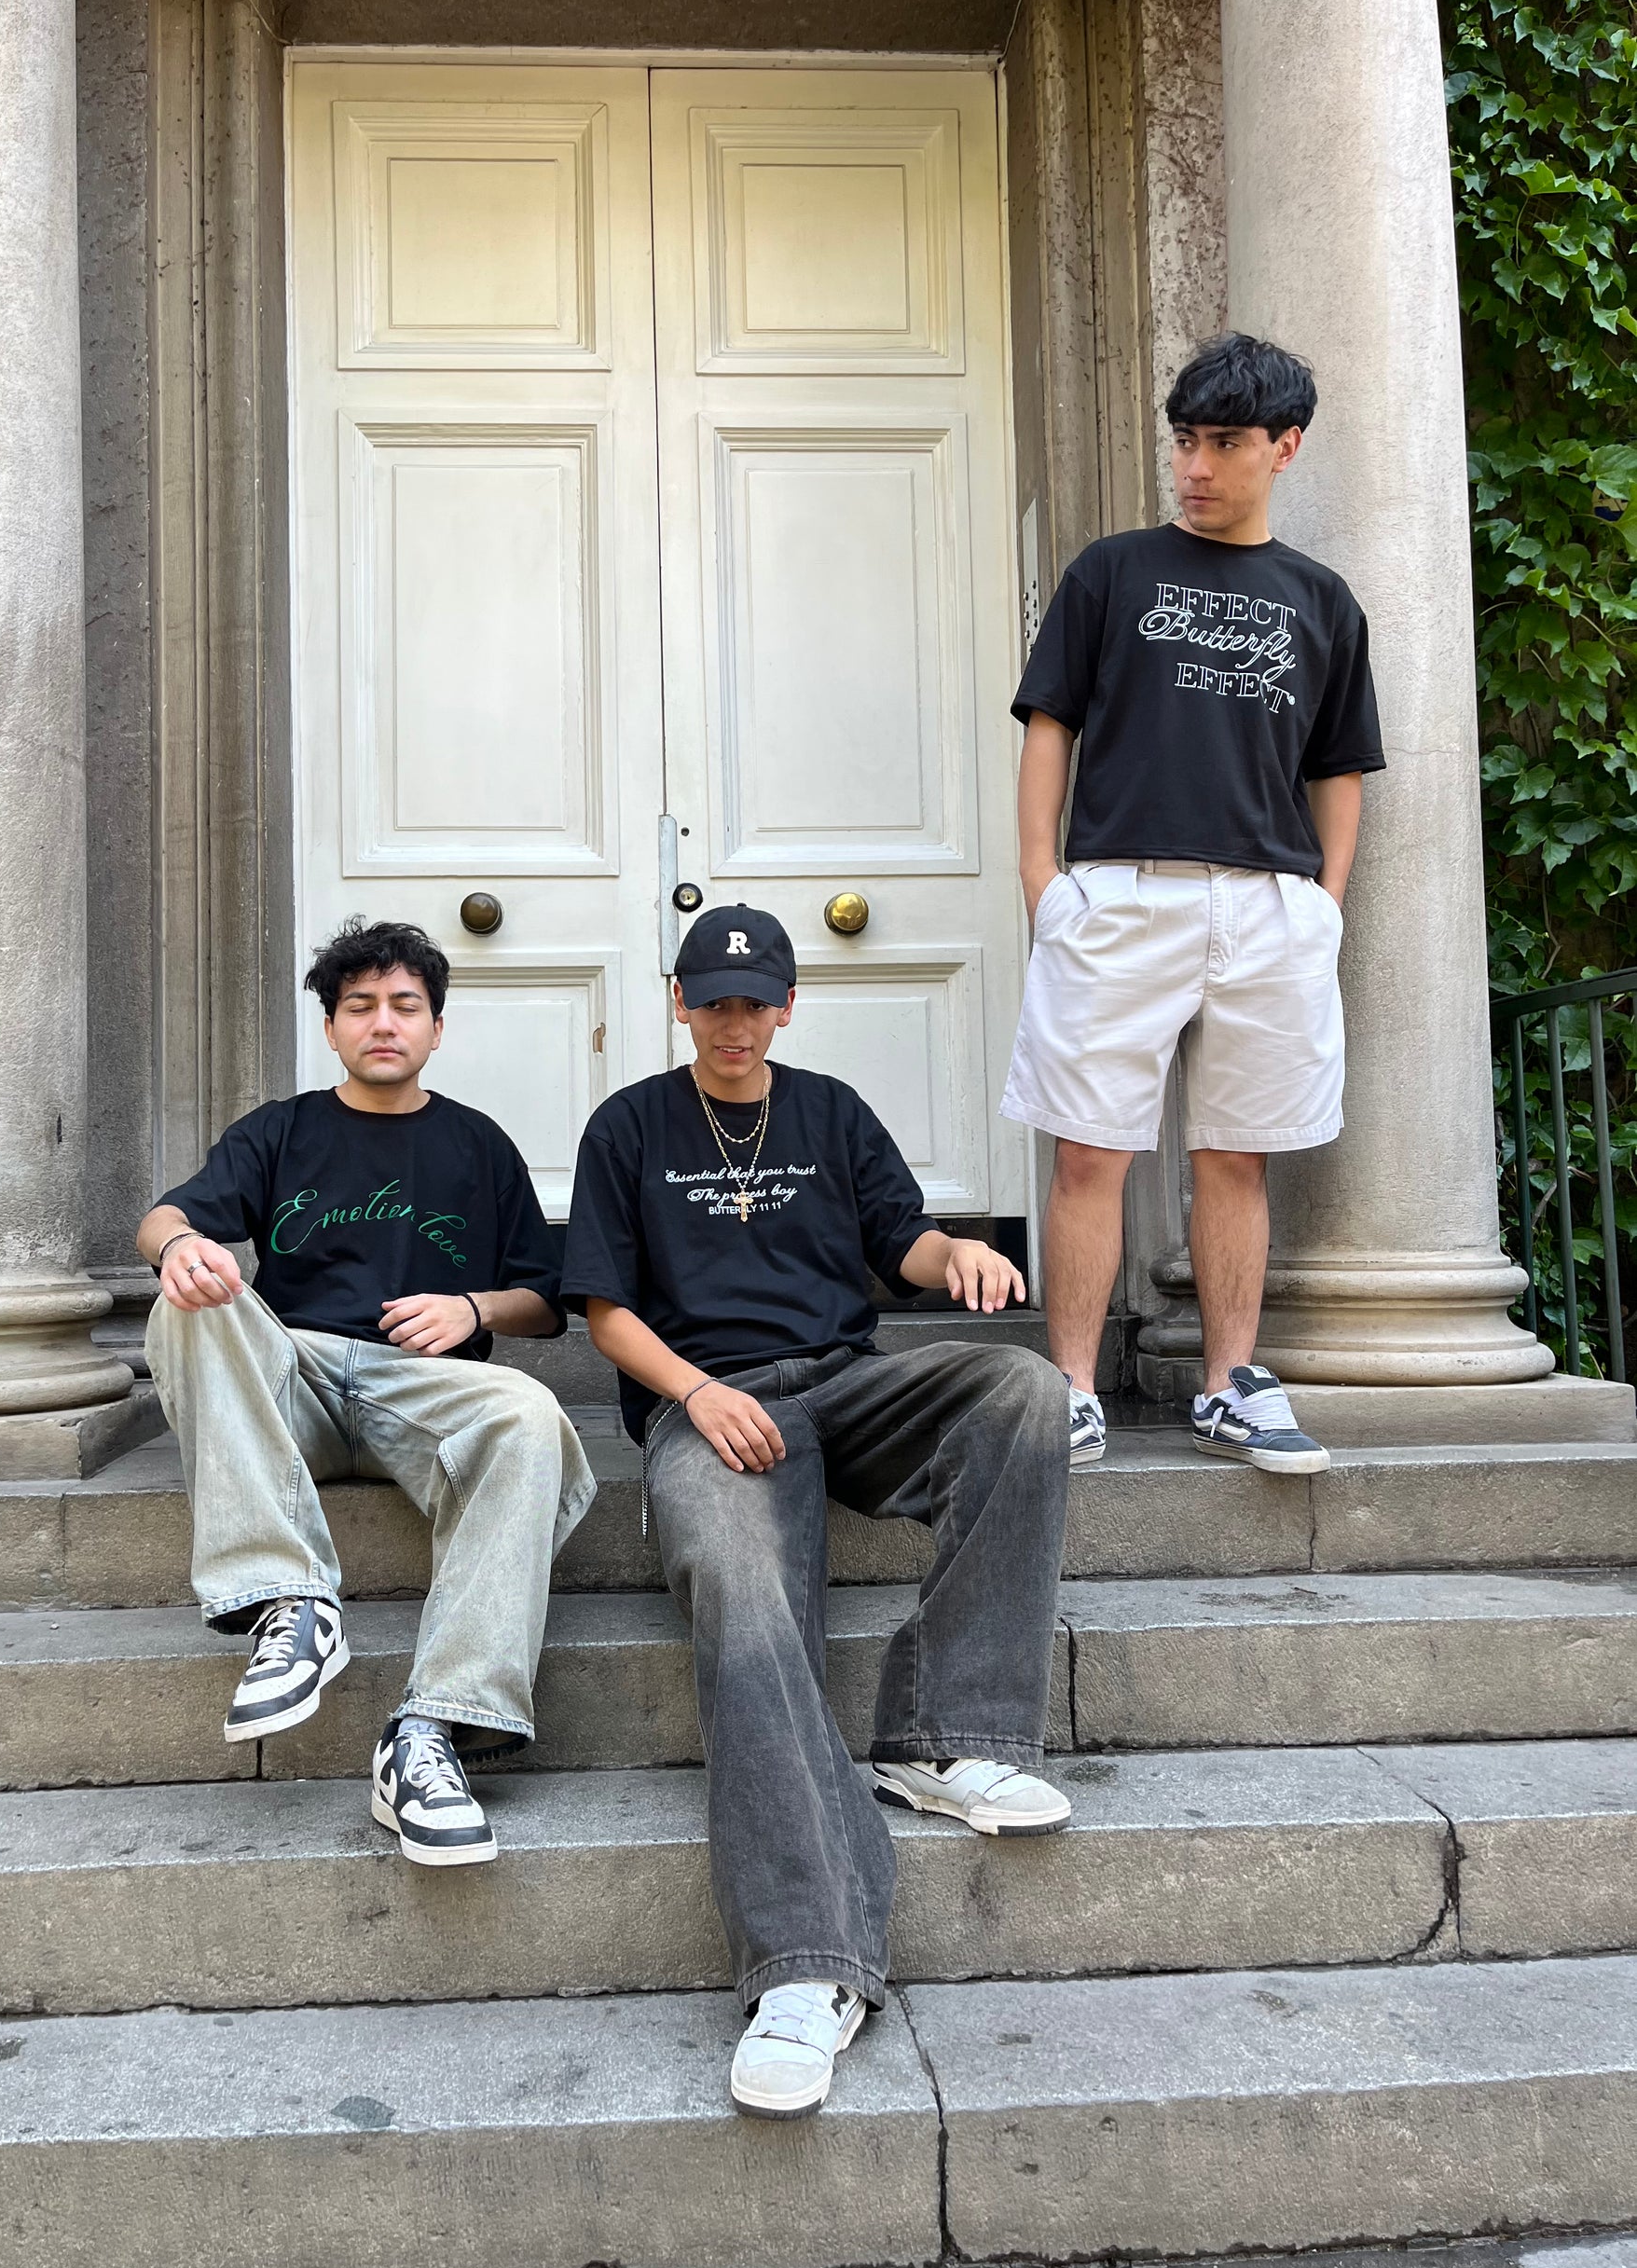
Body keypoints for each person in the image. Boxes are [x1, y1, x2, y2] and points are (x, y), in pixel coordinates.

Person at [563, 903, 1071, 2121]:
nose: (733, 1022)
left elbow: (902, 1241)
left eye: (754, 1001)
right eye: (711, 1000)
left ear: (786, 1005)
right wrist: (694, 1391)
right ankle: (804, 1962)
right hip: (708, 1404)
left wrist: (955, 1257)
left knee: (1022, 1388)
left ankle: (942, 1733)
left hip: (845, 1385)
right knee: (743, 1593)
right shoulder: (628, 1124)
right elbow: (604, 1313)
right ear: (679, 1002)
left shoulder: (831, 1110)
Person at [1003, 331, 1386, 1474]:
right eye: (1183, 441)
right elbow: (1048, 725)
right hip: (1120, 893)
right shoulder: (1110, 572)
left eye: (1222, 443)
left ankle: (1226, 1385)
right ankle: (1070, 1390)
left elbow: (1338, 767)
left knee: (1236, 1155)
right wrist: (1041, 881)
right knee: (1089, 1152)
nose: (1194, 466)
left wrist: (1324, 903)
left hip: (1268, 905)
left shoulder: (1321, 601)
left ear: (1284, 448)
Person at [137, 917, 593, 1869]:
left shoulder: (478, 1145)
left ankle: (433, 1729)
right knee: (189, 1303)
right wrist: (179, 1247)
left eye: (404, 1006)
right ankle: (291, 1602)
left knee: (528, 1414)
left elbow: (549, 1303)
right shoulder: (281, 1129)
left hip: (422, 1393)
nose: (383, 1023)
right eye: (360, 1006)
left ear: (436, 1027)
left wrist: (474, 1309)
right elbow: (166, 1217)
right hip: (290, 1378)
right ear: (332, 1027)